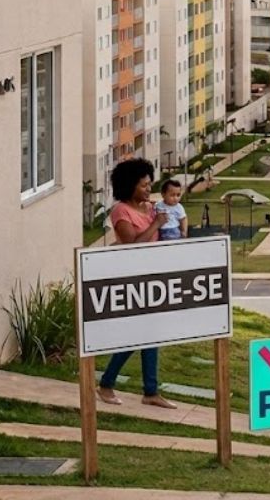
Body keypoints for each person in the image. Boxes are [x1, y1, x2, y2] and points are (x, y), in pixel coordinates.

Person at [96, 158, 177, 409]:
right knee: (136, 335)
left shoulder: (149, 208)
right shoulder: (121, 211)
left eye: (149, 184)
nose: (148, 189)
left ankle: (150, 391)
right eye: (143, 185)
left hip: (152, 274)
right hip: (132, 276)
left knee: (150, 335)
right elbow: (131, 244)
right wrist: (156, 224)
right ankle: (107, 384)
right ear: (130, 186)